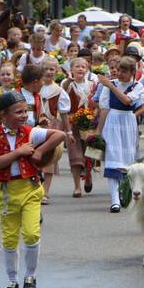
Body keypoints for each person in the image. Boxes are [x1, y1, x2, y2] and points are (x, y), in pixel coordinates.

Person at [0, 91, 66, 288]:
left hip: (30, 189)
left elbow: (60, 135)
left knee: (31, 233)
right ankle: (12, 281)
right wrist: (19, 152)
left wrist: (40, 151)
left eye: (25, 111)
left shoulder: (30, 132)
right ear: (3, 115)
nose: (23, 116)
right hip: (7, 193)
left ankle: (30, 277)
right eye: (18, 112)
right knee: (10, 238)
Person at [96, 57, 144, 213]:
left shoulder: (137, 87)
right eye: (118, 70)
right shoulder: (109, 86)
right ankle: (114, 199)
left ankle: (125, 193)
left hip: (128, 123)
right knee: (113, 158)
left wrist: (110, 85)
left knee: (127, 160)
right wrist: (98, 131)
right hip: (112, 122)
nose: (120, 74)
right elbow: (104, 108)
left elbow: (126, 101)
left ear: (132, 72)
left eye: (124, 71)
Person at [39, 58, 73, 204]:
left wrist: (69, 132)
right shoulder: (35, 87)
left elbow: (64, 113)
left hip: (51, 126)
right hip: (36, 126)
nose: (48, 72)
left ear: (56, 71)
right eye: (46, 69)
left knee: (49, 159)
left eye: (51, 69)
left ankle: (45, 191)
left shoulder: (59, 91)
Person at [62, 57, 96, 197]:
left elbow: (97, 101)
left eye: (83, 66)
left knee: (90, 153)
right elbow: (61, 92)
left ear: (87, 69)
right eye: (77, 66)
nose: (81, 69)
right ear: (72, 69)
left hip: (89, 124)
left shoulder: (92, 84)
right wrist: (69, 80)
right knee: (75, 155)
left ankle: (88, 175)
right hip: (73, 124)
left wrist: (93, 116)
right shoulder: (68, 84)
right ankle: (77, 186)